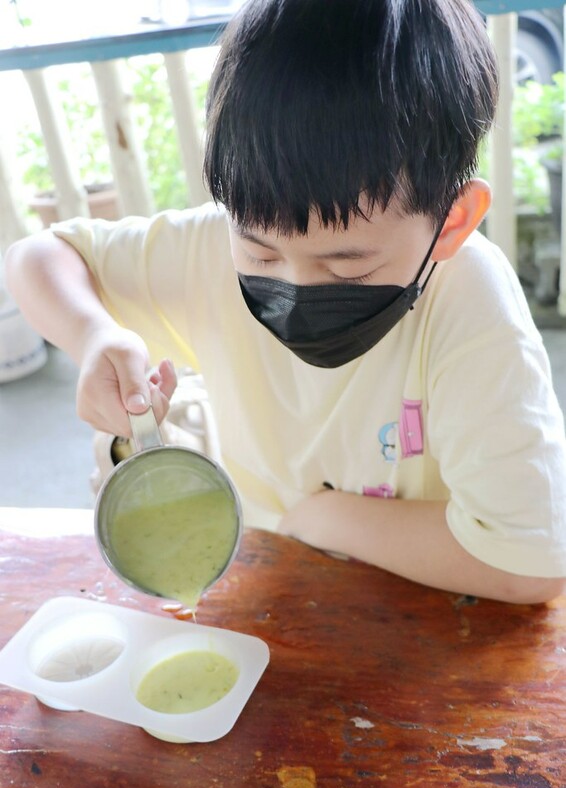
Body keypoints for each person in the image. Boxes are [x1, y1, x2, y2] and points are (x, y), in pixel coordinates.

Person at [6, 0, 566, 604]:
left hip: (425, 604)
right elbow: (40, 257)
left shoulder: (471, 306)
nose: (295, 287)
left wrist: (319, 520)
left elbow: (531, 563)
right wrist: (94, 335)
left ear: (452, 223)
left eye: (348, 265)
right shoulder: (205, 249)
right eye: (261, 254)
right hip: (272, 581)